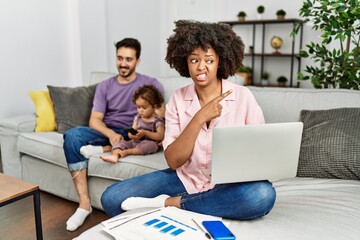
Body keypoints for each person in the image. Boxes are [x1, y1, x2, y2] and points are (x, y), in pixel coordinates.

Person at [101, 20, 276, 220]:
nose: (201, 67)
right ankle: (206, 204)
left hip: (229, 184)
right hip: (185, 178)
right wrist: (199, 118)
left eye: (209, 60)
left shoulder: (243, 96)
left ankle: (169, 204)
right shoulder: (178, 98)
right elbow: (174, 161)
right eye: (194, 60)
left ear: (220, 60)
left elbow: (259, 154)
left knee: (262, 195)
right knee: (112, 198)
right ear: (185, 61)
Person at [63, 38, 164, 231]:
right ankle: (84, 205)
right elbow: (94, 120)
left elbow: (162, 116)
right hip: (109, 130)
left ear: (138, 61)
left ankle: (105, 149)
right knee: (72, 137)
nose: (123, 63)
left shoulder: (151, 84)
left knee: (133, 139)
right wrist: (110, 134)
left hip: (135, 132)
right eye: (120, 58)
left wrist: (148, 122)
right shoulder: (105, 86)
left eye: (129, 59)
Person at [100, 84, 165, 163]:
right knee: (120, 143)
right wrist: (132, 135)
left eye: (144, 108)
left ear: (154, 107)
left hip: (148, 143)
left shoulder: (157, 120)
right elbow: (132, 130)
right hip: (135, 142)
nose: (140, 110)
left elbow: (160, 136)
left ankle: (127, 152)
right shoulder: (137, 118)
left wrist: (146, 133)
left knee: (151, 146)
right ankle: (115, 155)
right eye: (138, 107)